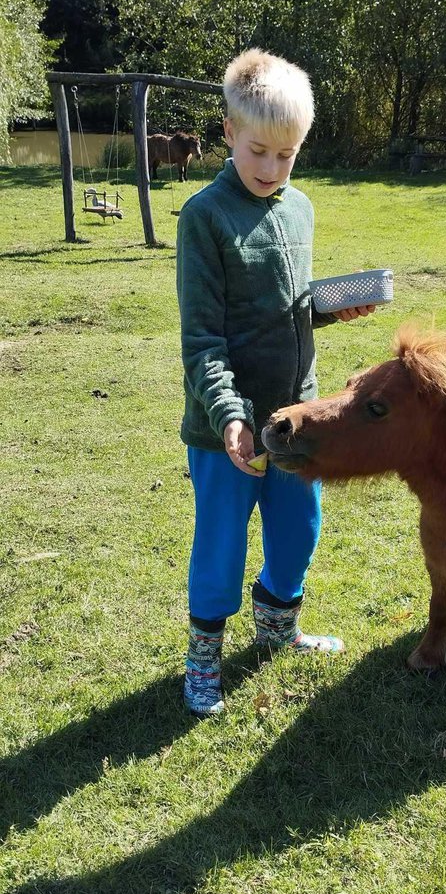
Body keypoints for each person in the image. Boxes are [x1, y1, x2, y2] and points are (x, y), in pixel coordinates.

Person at [176, 48, 373, 715]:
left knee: (299, 533)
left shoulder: (301, 210)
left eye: (286, 156)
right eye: (258, 150)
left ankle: (277, 628)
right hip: (222, 427)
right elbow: (203, 338)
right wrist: (230, 416)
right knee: (220, 546)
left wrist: (328, 307)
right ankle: (203, 660)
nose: (270, 169)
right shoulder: (203, 217)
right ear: (228, 132)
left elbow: (284, 305)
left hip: (295, 421)